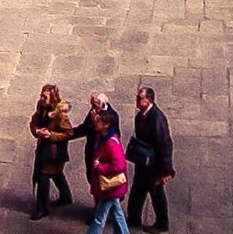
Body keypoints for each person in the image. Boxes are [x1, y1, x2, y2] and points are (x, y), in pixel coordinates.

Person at [126, 86, 174, 233]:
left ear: (149, 100)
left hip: (154, 165)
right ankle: (133, 218)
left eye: (140, 98)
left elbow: (165, 144)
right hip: (144, 162)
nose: (137, 100)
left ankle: (162, 224)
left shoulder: (157, 118)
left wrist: (166, 171)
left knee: (156, 193)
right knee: (137, 191)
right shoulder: (141, 115)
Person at [29, 82, 73, 221]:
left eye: (45, 97)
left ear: (52, 98)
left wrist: (51, 135)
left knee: (43, 176)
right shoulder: (41, 107)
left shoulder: (60, 115)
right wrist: (37, 131)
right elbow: (34, 122)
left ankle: (43, 207)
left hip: (54, 152)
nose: (42, 99)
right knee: (55, 173)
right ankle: (66, 196)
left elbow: (68, 133)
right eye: (41, 96)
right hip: (44, 147)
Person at [87, 107, 130, 234]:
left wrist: (99, 167)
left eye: (98, 121)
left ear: (106, 125)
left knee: (99, 217)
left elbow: (118, 166)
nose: (96, 122)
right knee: (117, 213)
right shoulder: (104, 137)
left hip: (110, 187)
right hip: (112, 187)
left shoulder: (111, 143)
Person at [71, 92, 122, 189]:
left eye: (94, 104)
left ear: (101, 104)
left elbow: (112, 136)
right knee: (91, 178)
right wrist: (69, 133)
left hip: (103, 154)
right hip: (92, 150)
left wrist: (95, 122)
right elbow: (85, 127)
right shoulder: (94, 111)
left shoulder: (112, 116)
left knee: (103, 181)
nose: (92, 107)